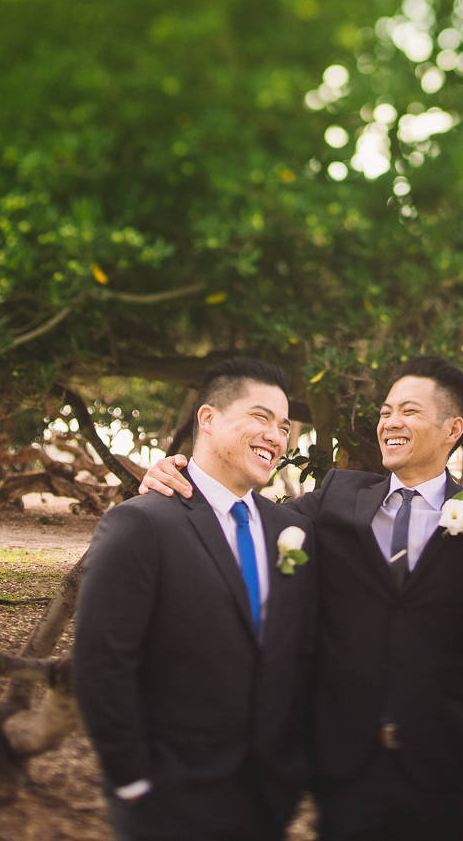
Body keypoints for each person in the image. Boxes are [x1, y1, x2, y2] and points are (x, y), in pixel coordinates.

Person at [140, 355, 463, 839]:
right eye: (385, 411)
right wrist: (180, 476)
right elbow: (246, 517)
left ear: (453, 429)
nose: (390, 422)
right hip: (343, 769)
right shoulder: (335, 497)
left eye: (409, 411)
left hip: (442, 767)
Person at [73, 358, 318, 841]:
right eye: (261, 417)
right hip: (169, 803)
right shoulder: (142, 523)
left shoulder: (291, 529)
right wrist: (133, 780)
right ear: (207, 419)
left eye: (285, 426)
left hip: (268, 799)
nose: (276, 436)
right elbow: (102, 662)